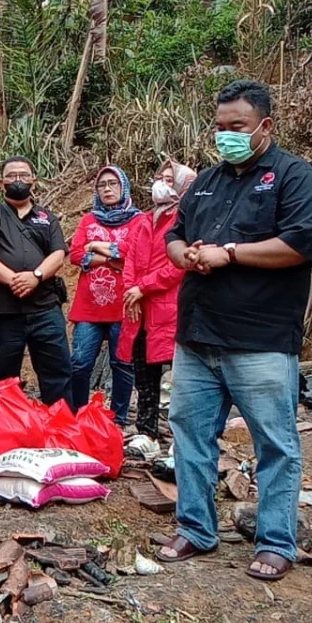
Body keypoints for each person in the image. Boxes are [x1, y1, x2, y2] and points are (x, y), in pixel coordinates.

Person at [158, 80, 312, 585]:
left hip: (260, 340)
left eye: (237, 126)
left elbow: (299, 244)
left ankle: (277, 541)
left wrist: (228, 253)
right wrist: (184, 254)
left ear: (264, 126)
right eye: (220, 127)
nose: (226, 135)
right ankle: (195, 528)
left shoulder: (294, 178)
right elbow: (174, 234)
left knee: (274, 443)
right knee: (190, 436)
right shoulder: (207, 181)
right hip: (197, 336)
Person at [0, 156, 73, 406]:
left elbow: (58, 254)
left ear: (33, 181)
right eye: (12, 176)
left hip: (45, 309)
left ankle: (61, 432)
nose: (18, 180)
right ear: (1, 183)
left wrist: (35, 277)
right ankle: (5, 433)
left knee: (57, 372)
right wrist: (14, 280)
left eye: (23, 176)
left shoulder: (47, 218)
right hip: (3, 311)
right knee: (3, 378)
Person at [67, 166, 145, 423]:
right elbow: (76, 255)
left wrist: (96, 247)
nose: (108, 189)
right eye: (102, 185)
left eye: (113, 184)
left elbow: (136, 252)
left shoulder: (139, 220)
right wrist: (113, 259)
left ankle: (118, 420)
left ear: (124, 187)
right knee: (79, 363)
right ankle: (79, 415)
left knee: (122, 364)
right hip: (88, 307)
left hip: (124, 305)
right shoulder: (88, 220)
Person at [118, 174, 191, 439]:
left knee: (178, 376)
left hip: (169, 307)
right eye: (160, 177)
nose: (162, 182)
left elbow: (179, 266)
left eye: (170, 179)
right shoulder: (143, 221)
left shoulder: (184, 220)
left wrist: (143, 287)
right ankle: (145, 431)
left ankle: (181, 434)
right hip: (139, 309)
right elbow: (129, 260)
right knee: (144, 375)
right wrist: (131, 292)